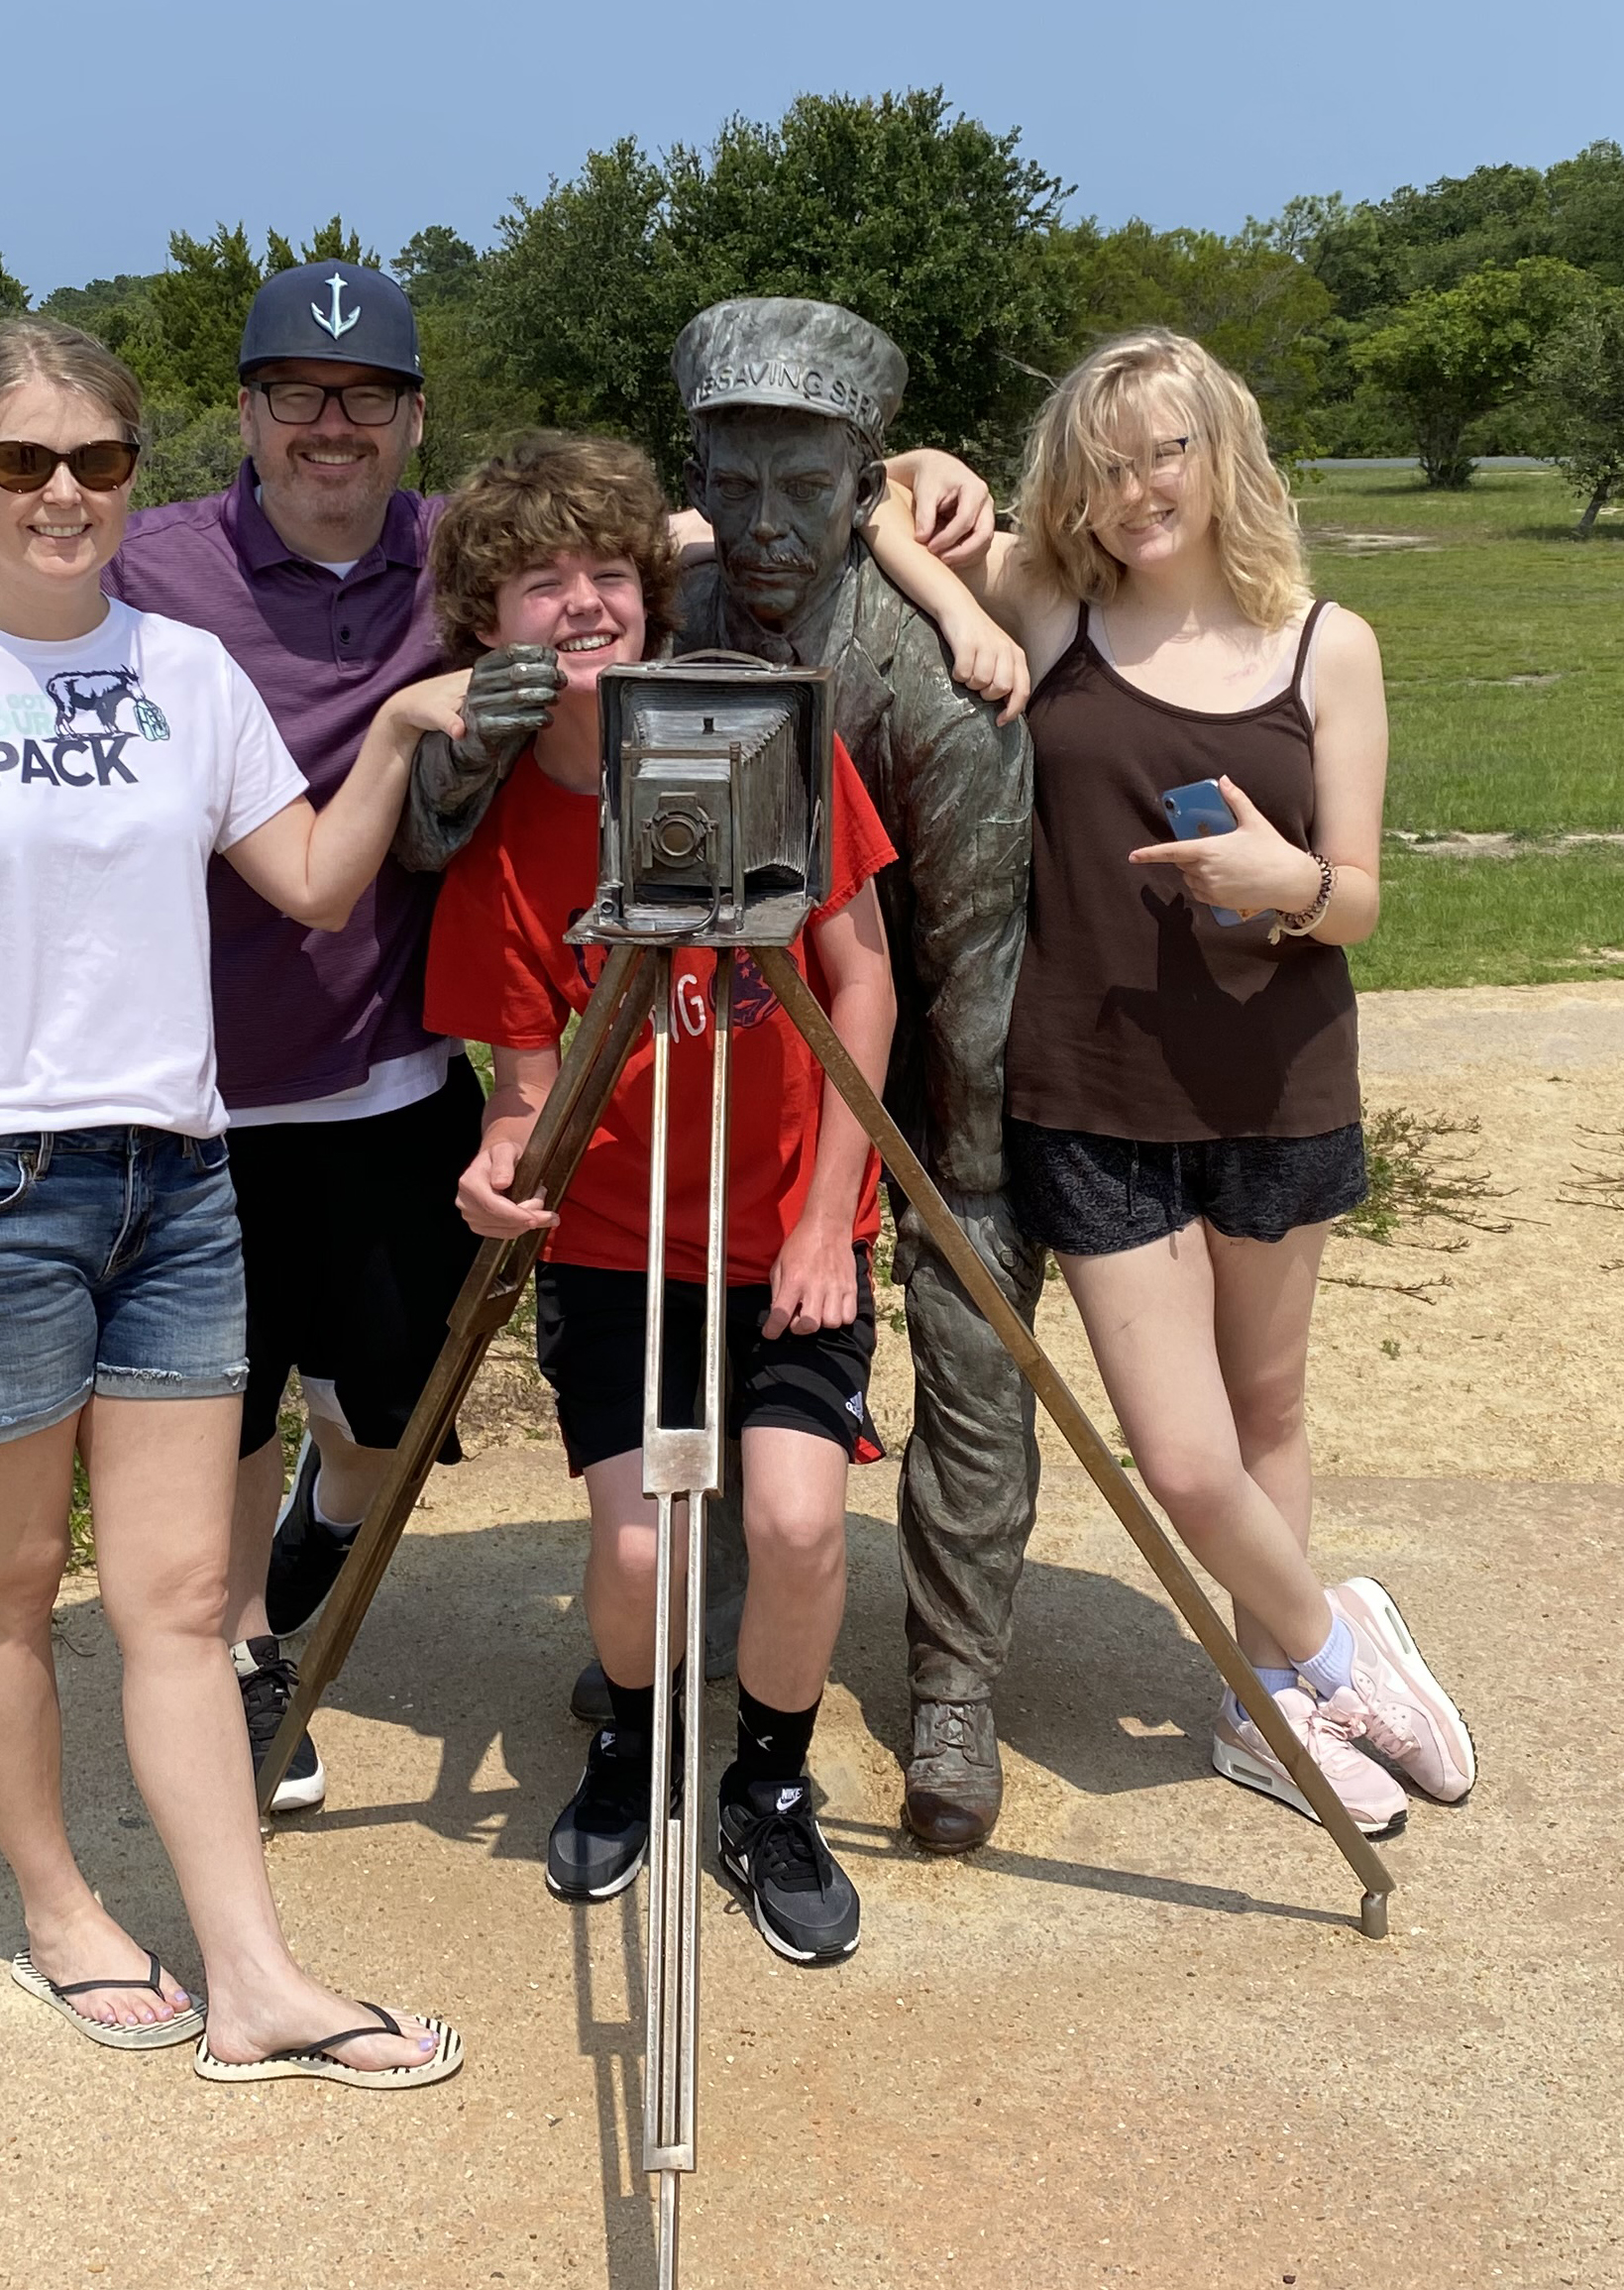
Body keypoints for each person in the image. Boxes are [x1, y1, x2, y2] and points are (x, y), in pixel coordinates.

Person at [0, 264, 1000, 1818]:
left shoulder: (469, 543)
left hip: (383, 1062)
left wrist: (912, 493)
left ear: (410, 419)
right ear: (241, 414)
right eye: (295, 394)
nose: (329, 424)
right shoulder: (158, 566)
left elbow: (671, 529)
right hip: (202, 1088)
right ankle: (244, 1664)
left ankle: (338, 1540)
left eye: (364, 397)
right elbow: (21, 578)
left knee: (377, 1409)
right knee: (220, 1413)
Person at [0, 316, 461, 2084]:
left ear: (137, 473)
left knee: (172, 1602)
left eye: (94, 460)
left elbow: (307, 883)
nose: (61, 492)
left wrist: (390, 735)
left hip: (177, 1177)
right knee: (3, 1593)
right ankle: (64, 1912)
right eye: (21, 461)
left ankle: (254, 1977)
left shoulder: (186, 668)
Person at [867, 326, 1476, 1832]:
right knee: (1181, 1454)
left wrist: (1284, 879)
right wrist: (950, 559)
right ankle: (1341, 1655)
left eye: (1167, 452)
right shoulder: (1052, 599)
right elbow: (871, 503)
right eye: (1106, 459)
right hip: (1089, 1087)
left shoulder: (1323, 641)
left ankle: (1259, 1706)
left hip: (1278, 1078)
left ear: (1222, 456)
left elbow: (1358, 901)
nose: (1138, 487)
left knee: (1266, 1410)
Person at [421, 433, 899, 1962]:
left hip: (785, 1234)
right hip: (623, 1248)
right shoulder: (500, 839)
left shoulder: (778, 740)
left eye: (606, 575)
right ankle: (632, 1745)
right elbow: (519, 1089)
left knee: (796, 1523)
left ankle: (768, 1784)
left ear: (652, 587)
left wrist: (830, 1218)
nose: (579, 607)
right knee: (633, 1550)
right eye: (537, 584)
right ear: (483, 626)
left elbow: (862, 981)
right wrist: (504, 1169)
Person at [665, 300, 1044, 1856]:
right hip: (723, 1081)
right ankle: (703, 1605)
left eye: (802, 491)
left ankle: (953, 1674)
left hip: (920, 1061)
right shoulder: (656, 616)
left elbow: (969, 950)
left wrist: (945, 1176)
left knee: (970, 1326)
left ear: (861, 488)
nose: (764, 527)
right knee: (689, 1317)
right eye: (733, 484)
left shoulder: (933, 678)